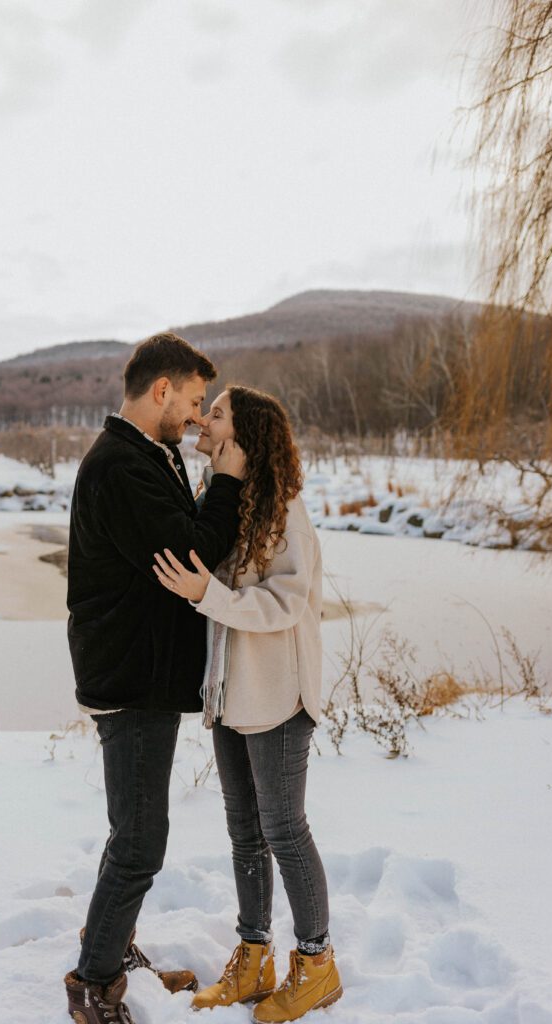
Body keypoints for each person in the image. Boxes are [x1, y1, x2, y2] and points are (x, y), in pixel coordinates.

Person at [64, 334, 246, 1024]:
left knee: (131, 831)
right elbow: (192, 550)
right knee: (140, 842)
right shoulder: (120, 465)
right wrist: (228, 479)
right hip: (130, 678)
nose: (199, 419)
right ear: (160, 390)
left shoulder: (148, 455)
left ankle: (105, 939)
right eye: (195, 402)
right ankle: (93, 981)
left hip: (137, 671)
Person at [153, 385, 342, 1023]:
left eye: (217, 413)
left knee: (284, 830)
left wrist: (210, 594)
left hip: (277, 696)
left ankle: (316, 965)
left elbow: (287, 602)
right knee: (243, 834)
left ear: (246, 433)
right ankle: (255, 955)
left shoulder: (286, 511)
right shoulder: (219, 498)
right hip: (229, 694)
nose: (204, 420)